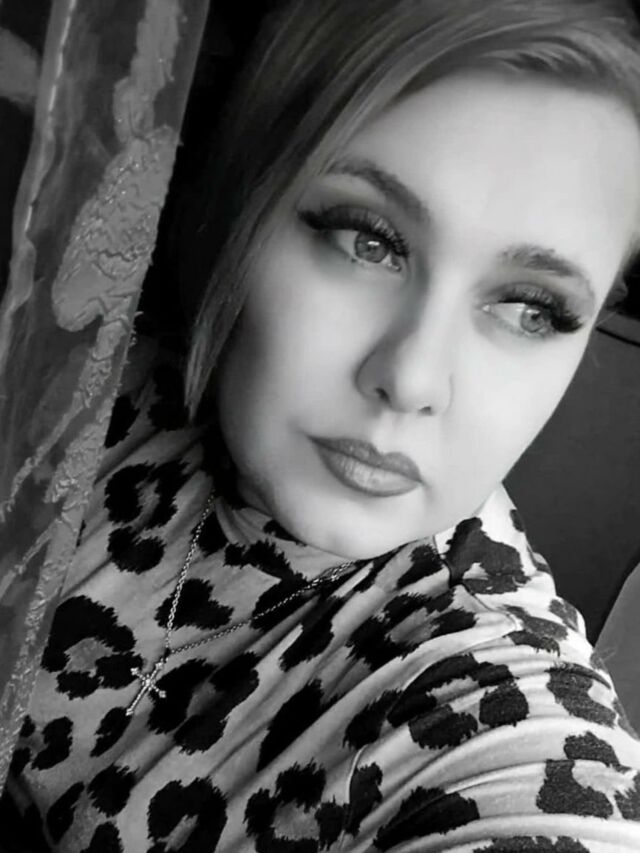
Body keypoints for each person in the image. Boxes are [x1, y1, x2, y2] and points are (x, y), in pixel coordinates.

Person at [5, 0, 640, 849]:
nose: (412, 379)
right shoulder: (80, 376)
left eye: (532, 308)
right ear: (244, 202)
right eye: (367, 240)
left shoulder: (493, 714)